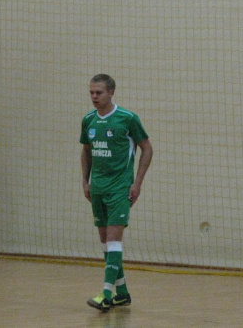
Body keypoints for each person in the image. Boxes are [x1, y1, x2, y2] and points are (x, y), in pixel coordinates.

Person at [80, 74, 153, 312]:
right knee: (106, 244)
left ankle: (106, 294)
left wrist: (137, 182)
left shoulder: (127, 118)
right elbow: (86, 151)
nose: (94, 97)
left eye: (98, 92)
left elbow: (147, 149)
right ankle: (122, 293)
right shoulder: (88, 120)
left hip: (120, 188)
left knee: (113, 240)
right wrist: (85, 181)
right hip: (98, 189)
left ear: (111, 92)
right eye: (91, 92)